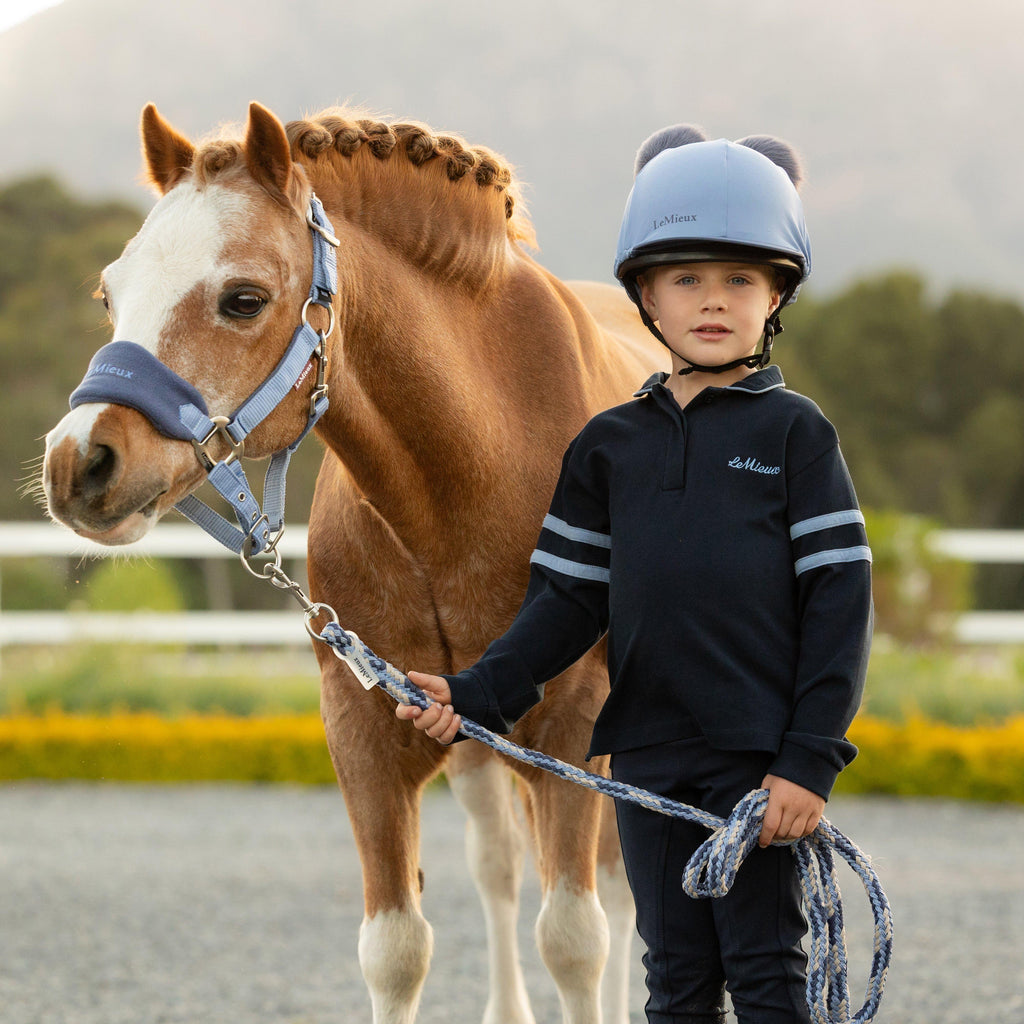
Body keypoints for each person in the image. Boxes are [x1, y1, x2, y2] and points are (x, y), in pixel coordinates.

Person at [396, 124, 873, 1024]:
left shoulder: (797, 436)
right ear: (645, 294)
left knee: (768, 971)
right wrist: (476, 692)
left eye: (741, 278)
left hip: (759, 764)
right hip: (646, 759)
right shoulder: (608, 446)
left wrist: (808, 761)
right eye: (685, 277)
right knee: (675, 977)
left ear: (777, 295)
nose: (712, 300)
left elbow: (840, 606)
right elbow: (567, 602)